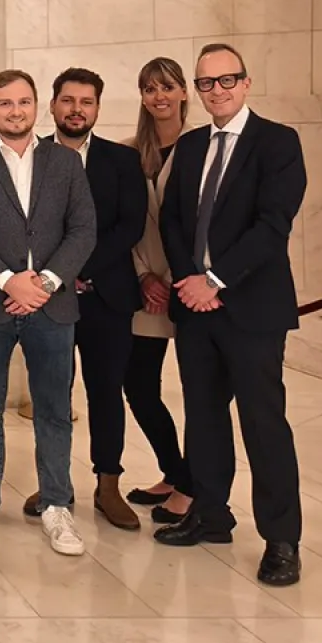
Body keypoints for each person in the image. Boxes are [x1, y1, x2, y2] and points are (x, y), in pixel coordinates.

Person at [156, 44, 306, 587]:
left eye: (226, 80)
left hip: (251, 309)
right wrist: (189, 281)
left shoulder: (278, 142)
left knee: (263, 424)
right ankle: (212, 515)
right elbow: (172, 220)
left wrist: (215, 281)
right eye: (205, 83)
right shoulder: (192, 145)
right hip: (196, 310)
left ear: (246, 83)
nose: (216, 91)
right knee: (204, 416)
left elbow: (273, 225)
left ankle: (282, 539)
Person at [0, 70, 96, 556]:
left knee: (54, 409)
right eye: (4, 103)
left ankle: (57, 504)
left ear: (38, 107)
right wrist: (9, 281)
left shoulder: (66, 162)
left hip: (52, 307)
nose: (15, 111)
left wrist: (46, 283)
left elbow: (83, 230)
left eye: (24, 102)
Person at [36, 67, 147, 530]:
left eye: (86, 102)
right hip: (50, 298)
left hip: (106, 296)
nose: (76, 109)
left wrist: (80, 270)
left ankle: (107, 483)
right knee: (52, 394)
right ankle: (52, 484)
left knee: (105, 393)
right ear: (53, 105)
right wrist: (58, 276)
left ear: (97, 108)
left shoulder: (122, 162)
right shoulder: (31, 155)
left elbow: (130, 225)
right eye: (68, 100)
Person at [123, 57, 194, 524]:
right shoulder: (130, 152)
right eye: (150, 89)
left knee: (200, 394)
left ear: (185, 92)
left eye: (167, 87)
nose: (159, 97)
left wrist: (177, 279)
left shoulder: (203, 147)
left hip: (192, 289)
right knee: (140, 386)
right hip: (146, 287)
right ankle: (175, 471)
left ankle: (192, 488)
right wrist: (146, 276)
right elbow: (122, 220)